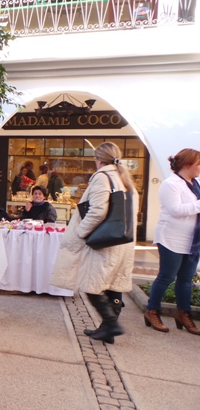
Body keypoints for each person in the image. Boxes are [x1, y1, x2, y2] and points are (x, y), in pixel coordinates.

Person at [50, 142, 138, 344]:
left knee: (91, 284)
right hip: (121, 240)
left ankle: (110, 323)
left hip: (104, 240)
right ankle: (108, 329)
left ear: (98, 159)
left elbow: (97, 210)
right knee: (112, 284)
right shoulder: (124, 178)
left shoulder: (102, 176)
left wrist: (81, 232)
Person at [144, 148, 200, 335]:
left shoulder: (195, 183)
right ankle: (152, 311)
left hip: (192, 240)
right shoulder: (171, 184)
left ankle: (183, 314)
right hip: (171, 237)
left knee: (186, 280)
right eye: (198, 164)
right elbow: (176, 209)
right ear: (186, 165)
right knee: (166, 276)